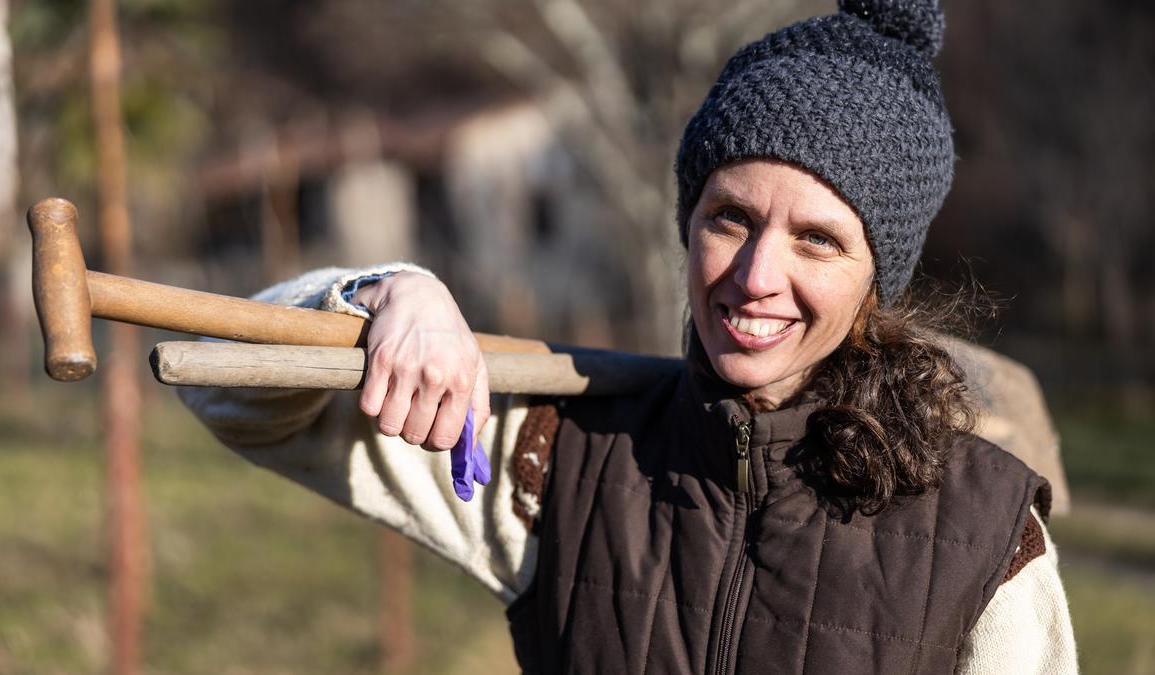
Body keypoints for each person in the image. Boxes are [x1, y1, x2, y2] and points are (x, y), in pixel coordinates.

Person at [180, 1, 1078, 672]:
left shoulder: (984, 535)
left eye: (817, 239)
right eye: (731, 217)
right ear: (687, 221)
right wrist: (383, 298)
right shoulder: (559, 458)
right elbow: (229, 394)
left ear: (876, 278)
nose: (757, 274)